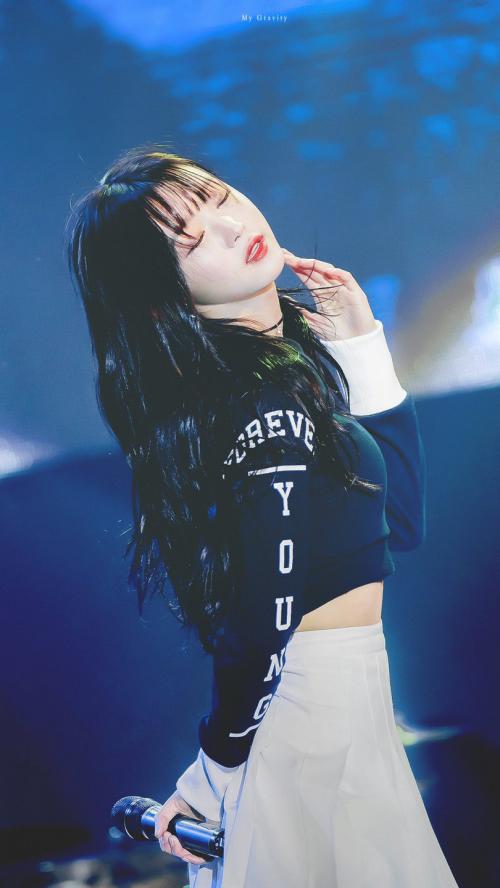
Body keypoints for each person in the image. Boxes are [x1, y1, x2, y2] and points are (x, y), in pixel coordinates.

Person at [65, 145, 460, 888]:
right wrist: (218, 768)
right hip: (306, 722)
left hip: (345, 713)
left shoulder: (286, 380)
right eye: (190, 242)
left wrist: (359, 344)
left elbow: (399, 526)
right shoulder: (262, 404)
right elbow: (260, 621)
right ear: (164, 295)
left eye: (218, 198)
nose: (230, 226)